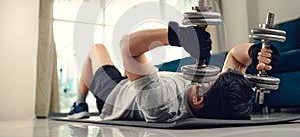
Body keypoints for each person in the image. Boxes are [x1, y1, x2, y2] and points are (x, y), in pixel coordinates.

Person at [67, 21, 279, 121]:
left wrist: (178, 36)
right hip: (138, 84)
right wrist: (255, 52)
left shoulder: (162, 105)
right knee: (136, 69)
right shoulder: (217, 97)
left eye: (211, 79)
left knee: (96, 50)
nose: (211, 73)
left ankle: (79, 104)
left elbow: (126, 47)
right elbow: (235, 55)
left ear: (198, 99)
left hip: (115, 94)